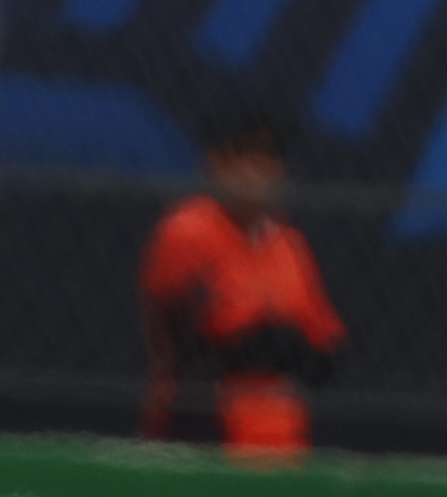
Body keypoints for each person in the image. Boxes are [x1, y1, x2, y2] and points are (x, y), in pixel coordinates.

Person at [138, 110, 342, 455]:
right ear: (213, 161)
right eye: (242, 152)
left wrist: (275, 343)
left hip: (281, 443)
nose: (256, 166)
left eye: (269, 155)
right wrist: (275, 343)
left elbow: (325, 351)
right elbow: (202, 343)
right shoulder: (188, 229)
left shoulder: (289, 244)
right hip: (199, 437)